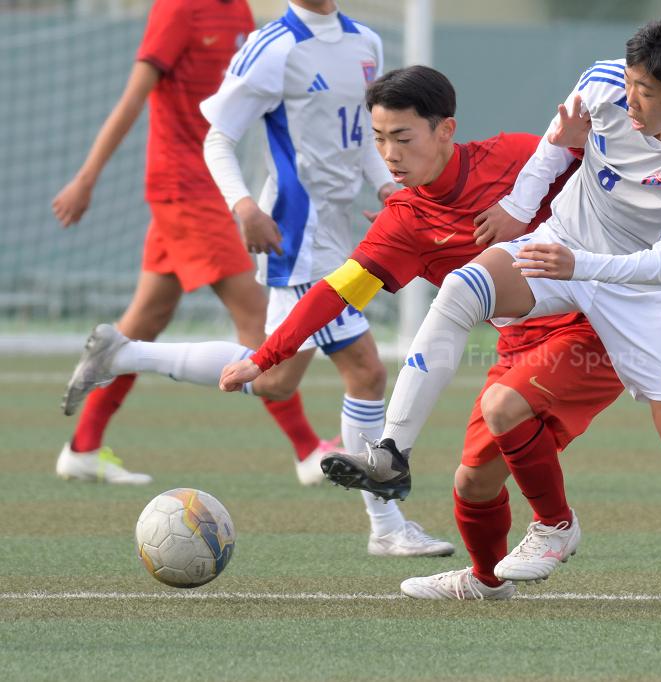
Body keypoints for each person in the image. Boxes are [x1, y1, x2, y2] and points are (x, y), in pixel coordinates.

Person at [243, 10, 661, 608]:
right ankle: (391, 453)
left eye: (646, 90)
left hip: (644, 292)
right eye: (630, 81)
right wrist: (518, 207)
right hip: (565, 244)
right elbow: (552, 149)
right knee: (462, 291)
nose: (630, 98)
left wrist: (578, 266)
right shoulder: (606, 82)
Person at [60, 1, 453, 558]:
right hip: (297, 233)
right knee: (364, 372)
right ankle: (387, 528)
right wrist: (243, 205)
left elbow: (364, 138)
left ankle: (124, 355)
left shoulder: (365, 41)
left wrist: (388, 190)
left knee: (274, 378)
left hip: (340, 232)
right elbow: (217, 137)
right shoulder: (274, 45)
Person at [219, 65, 625, 600]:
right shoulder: (404, 221)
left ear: (445, 131)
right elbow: (335, 291)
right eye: (379, 138)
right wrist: (268, 356)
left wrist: (583, 148)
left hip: (594, 327)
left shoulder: (515, 155)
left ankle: (554, 524)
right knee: (472, 483)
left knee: (512, 410)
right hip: (520, 345)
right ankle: (487, 581)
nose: (389, 154)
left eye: (403, 138)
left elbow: (618, 182)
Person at [52, 0, 280, 485]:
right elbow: (133, 99)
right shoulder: (177, 9)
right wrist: (86, 179)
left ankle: (83, 447)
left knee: (144, 321)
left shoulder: (240, 11)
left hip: (212, 184)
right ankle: (307, 452)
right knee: (258, 322)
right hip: (182, 188)